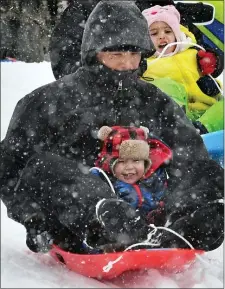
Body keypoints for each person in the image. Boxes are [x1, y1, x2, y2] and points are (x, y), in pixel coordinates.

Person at [0, 1, 223, 255]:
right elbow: (11, 168)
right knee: (44, 168)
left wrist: (187, 199)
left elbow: (190, 154)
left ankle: (180, 231)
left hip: (151, 210)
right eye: (116, 54)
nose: (127, 63)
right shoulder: (49, 101)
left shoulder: (154, 100)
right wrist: (34, 220)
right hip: (82, 218)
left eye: (134, 53)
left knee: (206, 171)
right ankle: (115, 226)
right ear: (94, 53)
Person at [49, 0, 215, 79]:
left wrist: (211, 61)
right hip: (107, 101)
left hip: (181, 92)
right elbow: (64, 59)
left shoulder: (155, 3)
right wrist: (105, 76)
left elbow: (191, 41)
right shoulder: (83, 9)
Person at [142, 5, 224, 134]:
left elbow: (215, 66)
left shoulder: (192, 51)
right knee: (164, 87)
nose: (162, 36)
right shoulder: (146, 64)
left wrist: (214, 62)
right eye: (154, 33)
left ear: (177, 34)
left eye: (168, 31)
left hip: (207, 112)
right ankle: (177, 127)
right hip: (175, 117)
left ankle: (201, 130)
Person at [93, 125, 172, 227]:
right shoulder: (106, 183)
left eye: (136, 160)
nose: (130, 167)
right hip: (125, 233)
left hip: (156, 230)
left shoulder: (155, 178)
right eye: (121, 161)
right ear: (110, 164)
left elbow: (163, 198)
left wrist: (160, 212)